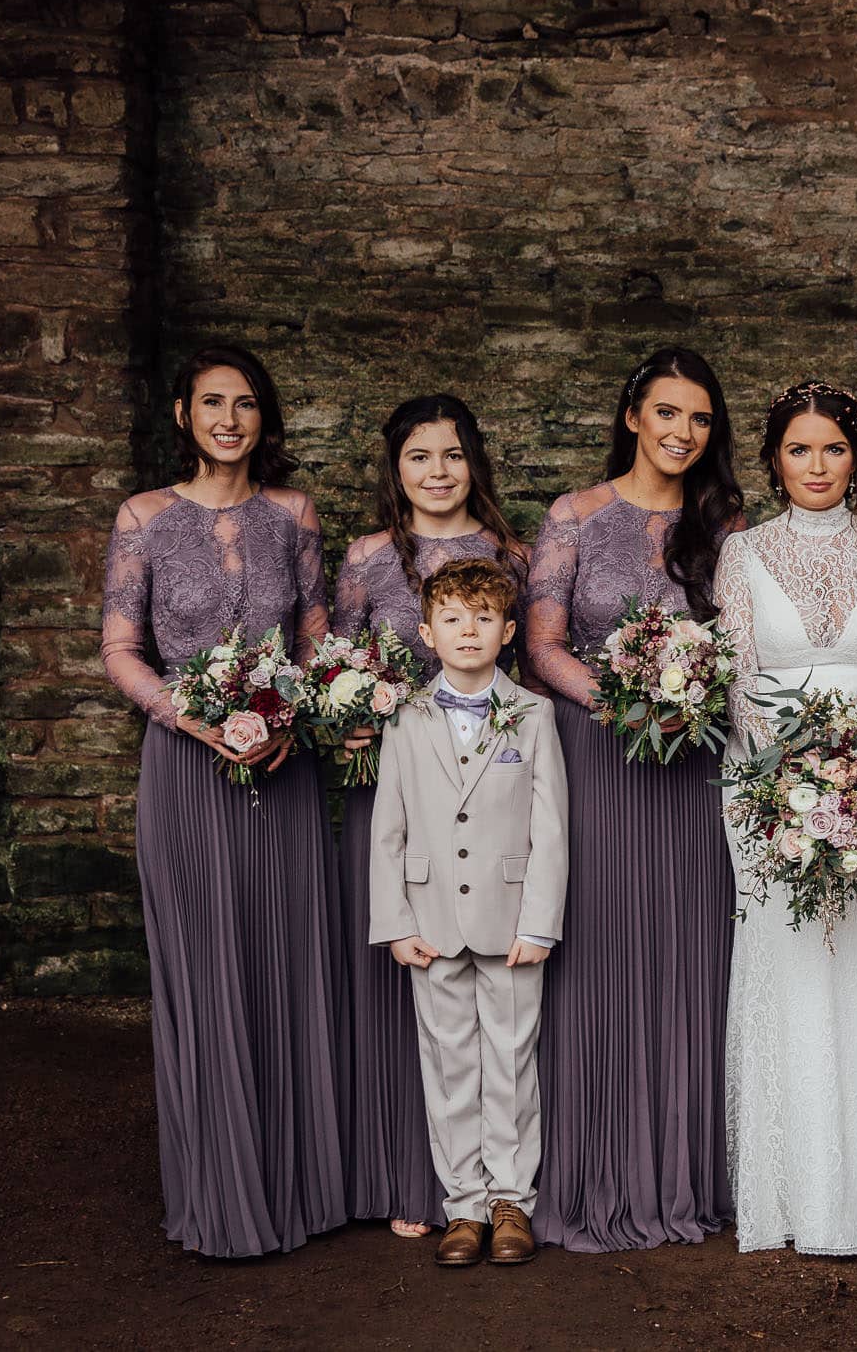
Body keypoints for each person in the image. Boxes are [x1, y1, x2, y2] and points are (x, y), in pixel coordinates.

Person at [99, 343, 344, 1257]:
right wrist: (187, 717)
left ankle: (298, 1189)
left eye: (244, 403)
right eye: (211, 403)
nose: (230, 419)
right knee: (205, 973)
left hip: (281, 771)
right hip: (187, 771)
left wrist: (292, 718)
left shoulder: (293, 515)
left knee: (285, 963)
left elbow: (317, 640)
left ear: (261, 417)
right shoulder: (143, 517)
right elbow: (120, 647)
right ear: (182, 416)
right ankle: (220, 1193)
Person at [525, 346, 744, 1251]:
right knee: (602, 956)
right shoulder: (573, 515)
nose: (683, 433)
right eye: (667, 414)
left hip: (691, 763)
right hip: (601, 754)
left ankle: (688, 1172)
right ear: (632, 416)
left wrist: (690, 693)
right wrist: (618, 702)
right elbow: (538, 645)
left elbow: (740, 645)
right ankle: (597, 1172)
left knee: (694, 956)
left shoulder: (726, 526)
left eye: (699, 419)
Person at [716, 381, 857, 1254]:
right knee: (791, 969)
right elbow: (736, 675)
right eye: (798, 449)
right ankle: (790, 1194)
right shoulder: (741, 550)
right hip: (769, 788)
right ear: (773, 458)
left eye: (833, 449)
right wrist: (792, 779)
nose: (816, 465)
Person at [333, 394, 529, 1241]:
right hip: (403, 783)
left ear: (473, 462)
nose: (438, 472)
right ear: (397, 467)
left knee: (509, 1046)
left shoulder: (512, 555)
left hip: (501, 808)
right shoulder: (368, 558)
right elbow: (340, 661)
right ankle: (441, 1193)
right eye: (420, 457)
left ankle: (510, 1197)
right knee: (438, 1039)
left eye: (453, 454)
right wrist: (353, 712)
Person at [367, 558, 569, 1267]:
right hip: (430, 922)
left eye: (484, 617)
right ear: (427, 632)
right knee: (449, 1065)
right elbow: (387, 826)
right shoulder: (406, 716)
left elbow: (550, 826)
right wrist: (394, 922)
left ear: (509, 630)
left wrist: (539, 921)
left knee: (512, 1062)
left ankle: (511, 1202)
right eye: (452, 617)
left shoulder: (534, 714)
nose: (468, 629)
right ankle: (463, 1206)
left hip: (511, 919)